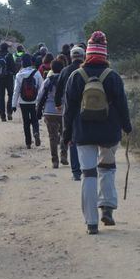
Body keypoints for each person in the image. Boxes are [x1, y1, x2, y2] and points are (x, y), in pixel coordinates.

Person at [63, 31, 132, 235]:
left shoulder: (76, 77)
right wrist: (127, 127)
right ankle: (108, 207)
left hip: (83, 133)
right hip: (109, 132)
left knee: (88, 174)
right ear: (105, 54)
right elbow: (122, 105)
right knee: (108, 169)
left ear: (87, 53)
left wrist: (66, 136)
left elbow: (68, 110)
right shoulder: (113, 77)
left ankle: (91, 222)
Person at [55, 46, 86, 181]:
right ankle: (88, 167)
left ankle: (76, 172)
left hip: (70, 109)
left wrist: (58, 104)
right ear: (83, 56)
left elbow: (58, 89)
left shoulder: (65, 70)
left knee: (72, 139)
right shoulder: (86, 70)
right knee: (87, 140)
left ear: (71, 57)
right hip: (88, 109)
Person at [37, 59, 68, 168]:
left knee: (52, 137)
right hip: (63, 111)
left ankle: (55, 161)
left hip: (49, 111)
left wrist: (39, 109)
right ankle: (64, 155)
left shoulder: (48, 80)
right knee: (64, 134)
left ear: (51, 68)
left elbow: (40, 96)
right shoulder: (66, 80)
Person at [11, 53, 43, 149]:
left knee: (26, 122)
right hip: (34, 102)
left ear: (22, 63)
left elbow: (16, 91)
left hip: (23, 102)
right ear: (31, 62)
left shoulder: (19, 75)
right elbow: (41, 88)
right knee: (34, 119)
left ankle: (28, 142)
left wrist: (13, 105)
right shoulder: (36, 73)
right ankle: (36, 132)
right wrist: (41, 103)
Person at [0, 42, 16, 122]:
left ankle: (2, 116)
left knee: (1, 97)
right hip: (9, 78)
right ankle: (9, 113)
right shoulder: (9, 55)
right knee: (10, 95)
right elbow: (13, 68)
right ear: (7, 48)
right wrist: (13, 73)